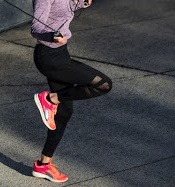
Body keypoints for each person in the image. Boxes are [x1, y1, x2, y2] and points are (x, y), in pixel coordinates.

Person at [31, 0, 112, 183]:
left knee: (65, 112)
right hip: (49, 57)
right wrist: (52, 36)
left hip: (60, 54)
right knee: (104, 84)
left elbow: (62, 11)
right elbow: (36, 27)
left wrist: (81, 3)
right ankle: (50, 99)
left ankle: (43, 164)